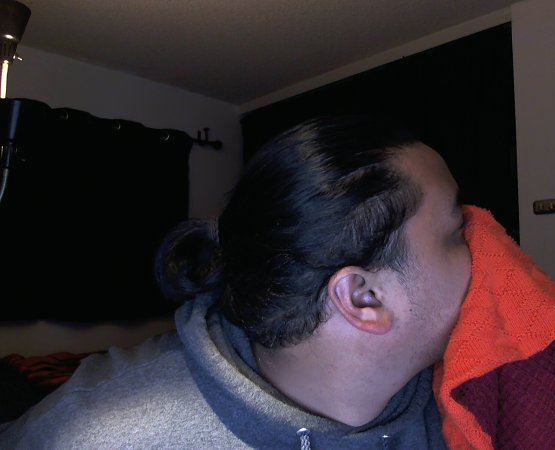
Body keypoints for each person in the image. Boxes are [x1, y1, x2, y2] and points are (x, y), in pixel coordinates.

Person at [0, 115, 471, 449]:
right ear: (364, 298)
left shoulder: (476, 392)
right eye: (457, 233)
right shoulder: (98, 437)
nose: (484, 240)